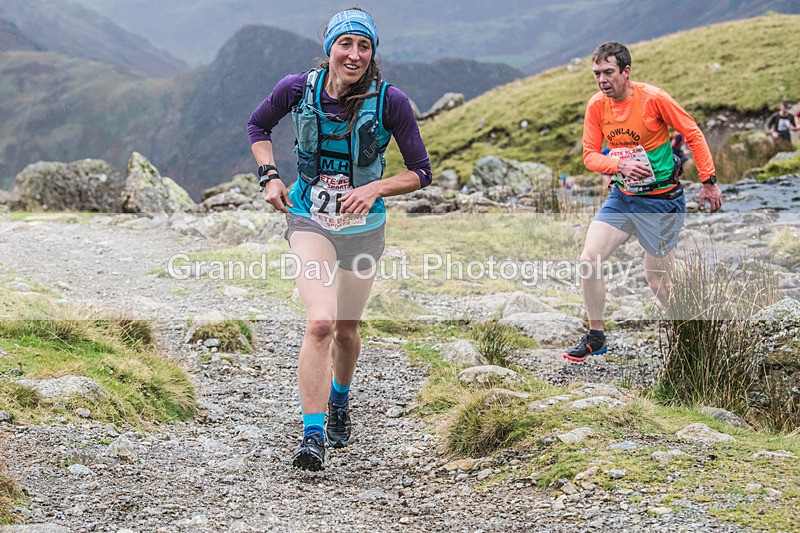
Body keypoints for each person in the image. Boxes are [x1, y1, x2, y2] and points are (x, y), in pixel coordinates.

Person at [247, 7, 432, 470]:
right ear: (329, 47)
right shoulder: (297, 89)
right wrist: (270, 176)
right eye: (345, 44)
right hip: (309, 219)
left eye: (363, 46)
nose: (353, 55)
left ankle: (340, 400)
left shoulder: (390, 101)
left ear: (373, 54)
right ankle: (312, 435)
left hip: (364, 230)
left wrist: (373, 188)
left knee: (347, 330)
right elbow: (258, 125)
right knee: (321, 324)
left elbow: (420, 172)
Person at [563, 41, 722, 363]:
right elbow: (590, 155)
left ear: (626, 71)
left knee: (658, 279)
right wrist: (618, 165)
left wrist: (709, 182)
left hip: (661, 201)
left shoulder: (654, 98)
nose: (602, 80)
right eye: (596, 74)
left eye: (609, 72)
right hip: (623, 196)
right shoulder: (597, 106)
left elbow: (692, 133)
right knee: (588, 260)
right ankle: (597, 335)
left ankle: (688, 337)